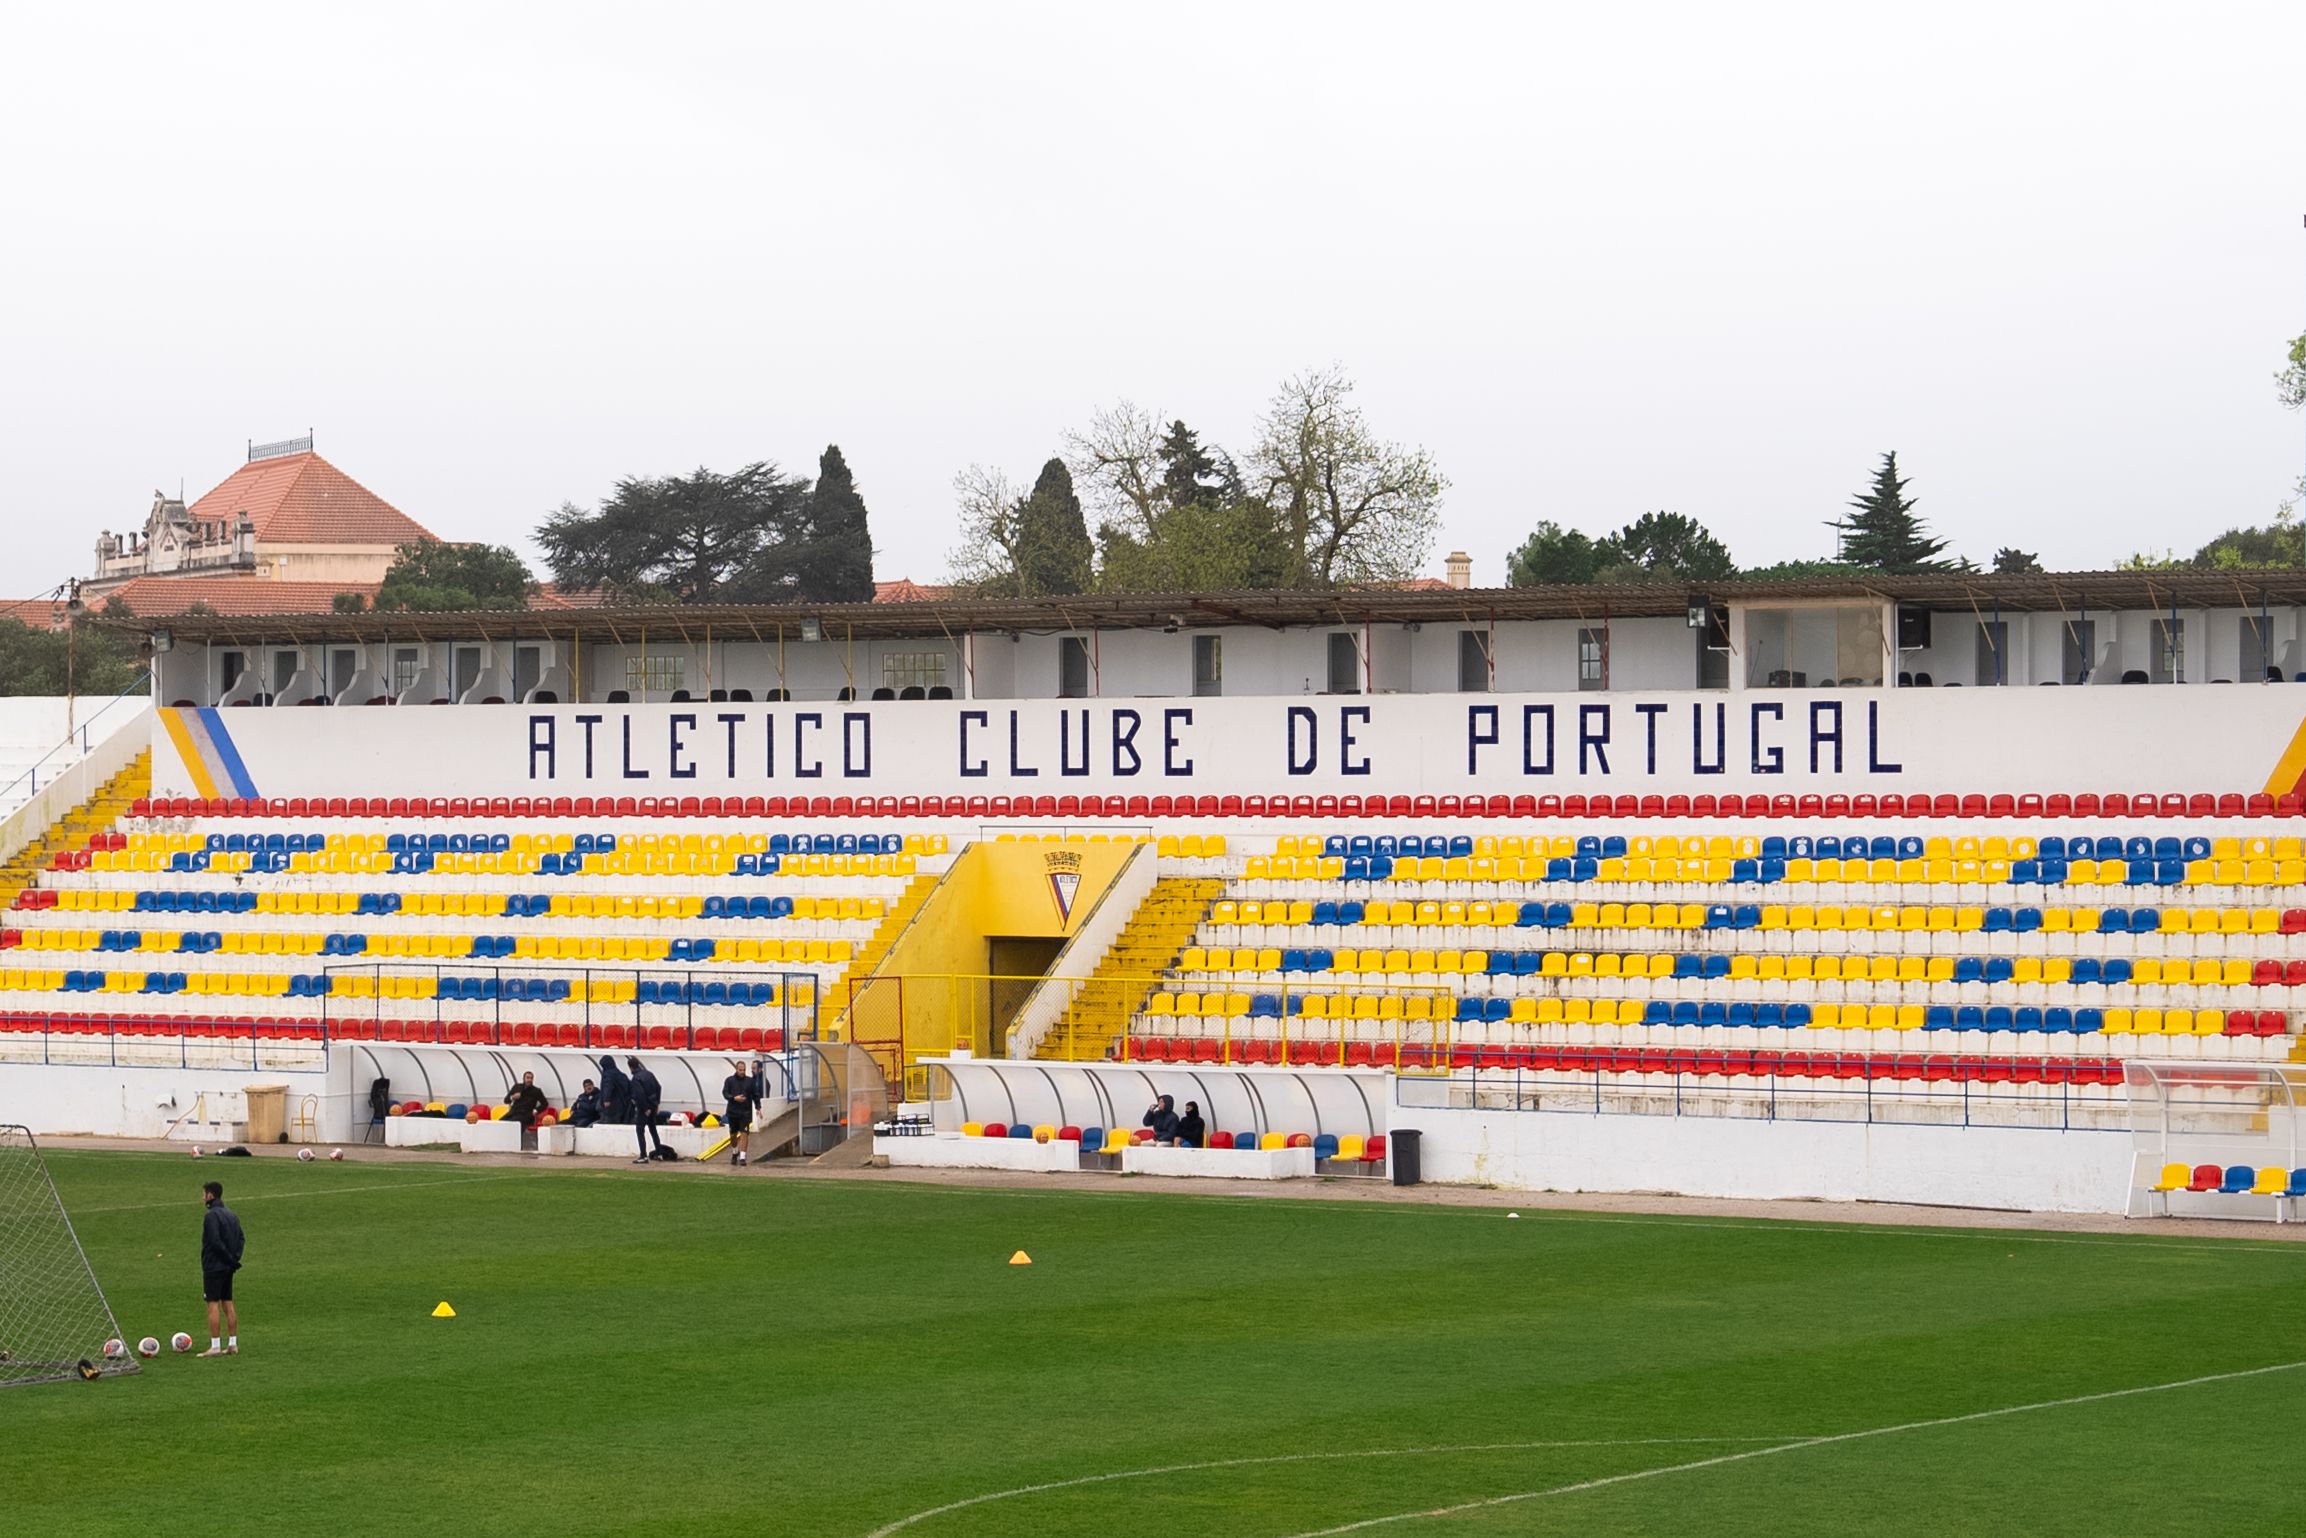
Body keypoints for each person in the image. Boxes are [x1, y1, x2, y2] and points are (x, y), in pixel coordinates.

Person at [198, 1180, 244, 1357]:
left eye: (204, 1194)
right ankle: (233, 1343)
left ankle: (215, 1346)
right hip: (228, 1267)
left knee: (212, 1304)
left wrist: (227, 1259)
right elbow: (241, 1239)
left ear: (210, 1195)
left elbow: (215, 1242)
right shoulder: (232, 1215)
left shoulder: (211, 1216)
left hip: (214, 1266)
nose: (202, 1198)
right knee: (228, 1303)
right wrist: (234, 1260)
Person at [721, 1058, 759, 1166]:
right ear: (736, 1069)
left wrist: (758, 1107)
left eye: (744, 1070)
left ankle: (742, 1157)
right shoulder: (729, 1080)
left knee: (744, 1134)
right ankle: (735, 1152)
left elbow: (755, 1095)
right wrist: (734, 1098)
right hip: (733, 1112)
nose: (742, 1072)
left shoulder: (750, 1081)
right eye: (740, 1070)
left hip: (745, 1113)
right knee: (733, 1135)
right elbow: (725, 1093)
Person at [627, 1056, 663, 1163]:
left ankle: (643, 1155)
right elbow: (658, 1087)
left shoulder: (636, 1078)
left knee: (640, 1130)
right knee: (653, 1129)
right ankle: (659, 1153)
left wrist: (645, 1108)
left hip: (644, 1108)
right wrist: (656, 1103)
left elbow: (640, 1095)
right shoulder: (649, 1074)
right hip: (653, 1104)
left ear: (630, 1067)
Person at [598, 1055, 633, 1124]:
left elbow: (608, 1086)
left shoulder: (608, 1074)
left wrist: (606, 1099)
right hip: (623, 1105)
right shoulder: (621, 1074)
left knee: (609, 1125)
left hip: (612, 1106)